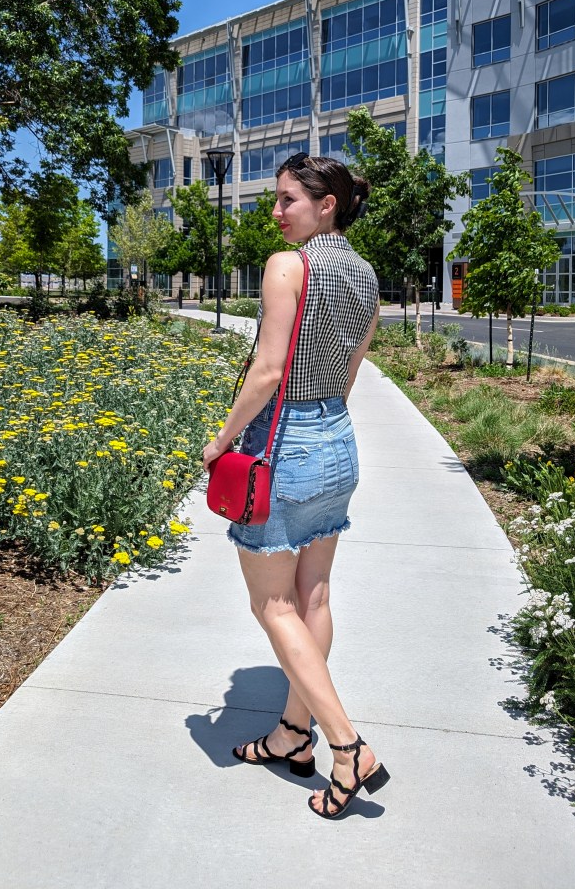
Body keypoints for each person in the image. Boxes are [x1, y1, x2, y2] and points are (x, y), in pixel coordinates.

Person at [202, 152, 390, 820]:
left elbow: (266, 371)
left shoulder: (289, 266)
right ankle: (291, 731)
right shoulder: (366, 275)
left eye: (288, 199)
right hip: (336, 439)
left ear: (325, 205)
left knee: (273, 605)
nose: (276, 212)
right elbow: (350, 372)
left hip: (284, 448)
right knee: (313, 595)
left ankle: (346, 746)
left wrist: (221, 442)